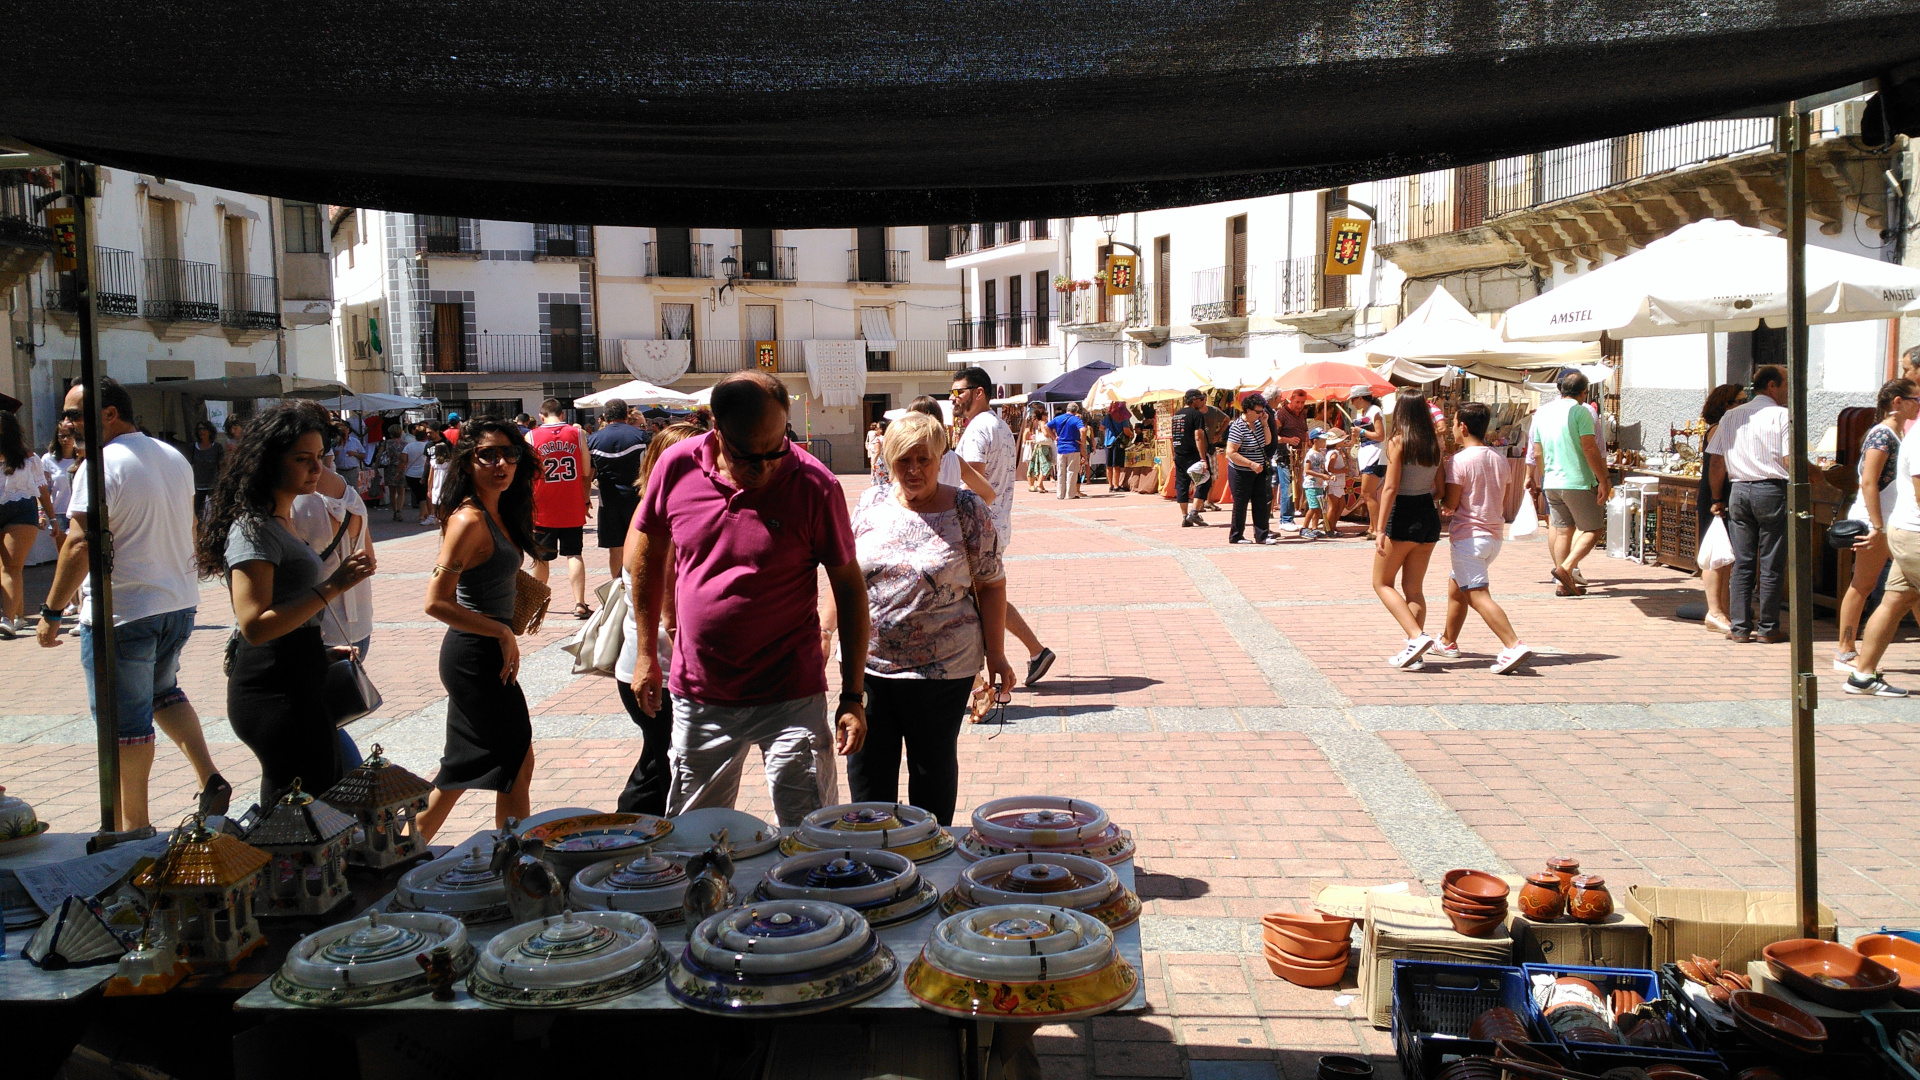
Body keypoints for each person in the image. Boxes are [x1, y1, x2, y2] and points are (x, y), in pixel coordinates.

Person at [631, 370, 870, 825]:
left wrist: (854, 694)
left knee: (811, 831)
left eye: (776, 449)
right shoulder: (676, 466)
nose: (765, 467)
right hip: (703, 693)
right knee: (694, 835)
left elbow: (850, 590)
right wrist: (647, 651)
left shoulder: (816, 485)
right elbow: (647, 556)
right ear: (716, 430)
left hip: (791, 692)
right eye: (748, 457)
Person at [40, 379, 227, 831]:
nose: (66, 423)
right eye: (66, 415)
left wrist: (50, 612)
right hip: (177, 602)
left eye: (75, 414)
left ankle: (135, 828)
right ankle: (209, 776)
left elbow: (80, 544)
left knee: (124, 724)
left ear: (109, 414)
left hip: (124, 610)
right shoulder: (170, 455)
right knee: (163, 692)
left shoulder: (100, 464)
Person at [198, 402, 373, 804]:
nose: (316, 469)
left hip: (297, 678)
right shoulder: (253, 528)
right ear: (269, 461)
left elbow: (286, 607)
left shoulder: (280, 520)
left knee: (308, 806)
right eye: (302, 459)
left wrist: (320, 651)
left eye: (318, 458)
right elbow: (255, 624)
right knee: (299, 811)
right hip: (272, 692)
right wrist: (334, 585)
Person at [844, 412, 1014, 823]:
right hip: (872, 666)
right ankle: (874, 868)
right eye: (903, 460)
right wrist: (826, 630)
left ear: (941, 458)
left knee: (931, 776)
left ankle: (929, 864)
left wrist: (997, 655)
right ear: (887, 460)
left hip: (943, 671)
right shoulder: (871, 502)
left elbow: (992, 584)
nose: (914, 469)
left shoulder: (967, 508)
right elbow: (847, 574)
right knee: (867, 778)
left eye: (924, 459)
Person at [415, 419, 542, 839]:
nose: (501, 463)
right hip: (475, 654)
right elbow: (436, 601)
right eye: (488, 455)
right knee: (513, 761)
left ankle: (405, 845)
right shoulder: (469, 519)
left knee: (468, 765)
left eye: (510, 454)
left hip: (485, 651)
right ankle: (516, 857)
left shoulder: (496, 510)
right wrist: (502, 632)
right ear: (468, 462)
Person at [614, 422, 700, 815]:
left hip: (641, 662)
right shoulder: (664, 518)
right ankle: (631, 831)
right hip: (660, 667)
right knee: (661, 762)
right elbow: (671, 618)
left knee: (661, 755)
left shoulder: (646, 506)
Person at [950, 366, 1055, 686]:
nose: (953, 398)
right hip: (996, 524)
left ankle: (979, 675)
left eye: (959, 392)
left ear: (978, 392)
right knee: (984, 596)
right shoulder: (997, 426)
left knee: (973, 599)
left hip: (978, 529)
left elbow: (973, 482)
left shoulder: (979, 428)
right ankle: (1034, 653)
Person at [1433, 402, 1532, 674]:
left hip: (1469, 538)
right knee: (1458, 588)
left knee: (1477, 595)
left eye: (1453, 424)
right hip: (1493, 536)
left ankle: (1513, 644)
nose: (1452, 429)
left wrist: (1440, 497)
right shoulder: (1498, 457)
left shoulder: (1460, 460)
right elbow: (1500, 494)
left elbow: (1451, 503)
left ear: (1462, 427)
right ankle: (1447, 641)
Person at [1841, 388, 1920, 697]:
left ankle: (1861, 674)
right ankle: (1847, 651)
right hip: (1901, 529)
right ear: (1898, 402)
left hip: (1899, 527)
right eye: (1914, 398)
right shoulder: (1884, 435)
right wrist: (1875, 525)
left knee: (1895, 600)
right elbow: (1869, 481)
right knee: (1862, 586)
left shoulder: (1902, 433)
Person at [1708, 365, 1791, 643]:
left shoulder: (1730, 416)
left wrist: (1717, 498)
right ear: (1771, 386)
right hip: (1770, 489)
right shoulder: (1782, 416)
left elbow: (1717, 461)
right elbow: (1789, 459)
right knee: (1771, 563)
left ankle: (1741, 628)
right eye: (1785, 385)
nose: (1787, 391)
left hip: (1739, 490)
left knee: (1743, 563)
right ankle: (1768, 628)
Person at [1374, 392, 1444, 668]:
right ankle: (1416, 651)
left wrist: (1379, 528)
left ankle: (1416, 637)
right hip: (1427, 511)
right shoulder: (1435, 443)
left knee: (1381, 582)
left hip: (1402, 512)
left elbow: (1390, 488)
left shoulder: (1397, 441)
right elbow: (1440, 486)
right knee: (1414, 588)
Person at [1530, 370, 1611, 597]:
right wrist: (1603, 479)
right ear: (1583, 393)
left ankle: (1562, 584)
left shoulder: (1543, 414)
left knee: (1563, 531)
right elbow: (1589, 447)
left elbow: (1537, 452)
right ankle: (1565, 569)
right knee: (1593, 529)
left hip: (1552, 480)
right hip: (1577, 480)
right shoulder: (1580, 411)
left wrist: (1547, 474)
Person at [528, 398, 594, 619]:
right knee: (574, 554)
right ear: (563, 415)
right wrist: (585, 500)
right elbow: (586, 471)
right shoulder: (577, 434)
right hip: (571, 505)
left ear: (541, 416)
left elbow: (525, 475)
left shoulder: (531, 436)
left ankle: (536, 604)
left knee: (541, 558)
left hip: (542, 507)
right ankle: (580, 603)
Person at [1694, 383, 1747, 635]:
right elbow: (1718, 464)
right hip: (1716, 495)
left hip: (1724, 494)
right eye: (1740, 401)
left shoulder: (1730, 427)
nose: (1744, 405)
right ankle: (1714, 610)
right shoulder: (1718, 429)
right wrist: (1717, 498)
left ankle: (1722, 610)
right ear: (1725, 405)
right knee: (1716, 555)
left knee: (1726, 556)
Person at [0, 412, 53, 638]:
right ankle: (19, 616)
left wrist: (51, 517)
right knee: (6, 570)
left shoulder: (29, 458)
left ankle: (7, 619)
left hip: (21, 510)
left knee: (11, 567)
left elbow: (42, 490)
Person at [588, 399, 649, 580]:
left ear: (605, 416)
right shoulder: (641, 436)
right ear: (626, 415)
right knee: (638, 543)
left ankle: (617, 584)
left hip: (608, 499)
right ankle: (637, 582)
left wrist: (585, 498)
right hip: (636, 497)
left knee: (614, 547)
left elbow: (588, 472)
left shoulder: (593, 439)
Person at [1224, 393, 1277, 545]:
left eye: (1262, 411)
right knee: (1240, 504)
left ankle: (1262, 535)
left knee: (1260, 503)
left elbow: (1267, 442)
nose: (1261, 414)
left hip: (1259, 471)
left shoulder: (1260, 423)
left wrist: (1265, 423)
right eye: (1258, 411)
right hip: (1241, 471)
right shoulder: (1237, 426)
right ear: (1248, 410)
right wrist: (1250, 464)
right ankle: (1236, 535)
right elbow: (1231, 453)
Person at [1170, 389, 1213, 528]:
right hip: (1192, 454)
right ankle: (1194, 512)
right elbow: (1198, 436)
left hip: (1179, 453)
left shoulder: (1176, 415)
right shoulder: (1196, 415)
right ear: (1194, 399)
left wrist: (1174, 454)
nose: (1202, 401)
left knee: (1182, 484)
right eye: (1201, 399)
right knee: (1205, 480)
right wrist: (1202, 458)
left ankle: (1185, 516)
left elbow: (1173, 437)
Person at [1269, 388, 1311, 526]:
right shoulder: (1281, 414)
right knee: (1288, 487)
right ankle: (1285, 519)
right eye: (1297, 402)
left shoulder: (1301, 414)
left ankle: (1290, 517)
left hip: (1299, 456)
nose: (1300, 405)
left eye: (1302, 402)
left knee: (1295, 487)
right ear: (1291, 399)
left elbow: (1304, 431)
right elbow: (1273, 436)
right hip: (1285, 456)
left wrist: (1308, 441)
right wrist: (1288, 440)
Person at [1350, 388, 1386, 539]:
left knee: (1367, 493)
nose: (1351, 403)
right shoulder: (1367, 413)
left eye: (1353, 399)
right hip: (1368, 456)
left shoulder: (1374, 411)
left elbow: (1380, 435)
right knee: (1367, 494)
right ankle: (1372, 527)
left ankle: (1377, 529)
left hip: (1375, 456)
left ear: (1360, 398)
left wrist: (1362, 432)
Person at [1050, 402, 1088, 500]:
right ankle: (1070, 494)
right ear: (1076, 410)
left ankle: (1060, 494)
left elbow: (1046, 427)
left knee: (1061, 472)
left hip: (1061, 448)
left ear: (1067, 409)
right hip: (1073, 448)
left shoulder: (1058, 418)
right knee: (1071, 471)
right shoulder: (1076, 419)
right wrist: (1082, 441)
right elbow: (1083, 430)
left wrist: (1054, 437)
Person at [188, 420, 224, 520]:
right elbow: (189, 465)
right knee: (197, 517)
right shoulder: (192, 448)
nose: (201, 431)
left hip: (213, 488)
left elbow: (222, 466)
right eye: (199, 429)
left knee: (214, 516)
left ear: (210, 431)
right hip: (197, 488)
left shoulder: (217, 448)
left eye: (204, 429)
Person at [1300, 428, 1331, 539]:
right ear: (1315, 441)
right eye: (1322, 440)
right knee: (1313, 507)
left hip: (1319, 484)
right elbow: (1307, 470)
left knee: (1319, 508)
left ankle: (1314, 528)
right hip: (1311, 485)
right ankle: (1304, 528)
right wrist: (1322, 476)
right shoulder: (1311, 454)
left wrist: (1328, 475)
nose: (1324, 442)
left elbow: (1322, 469)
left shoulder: (1321, 454)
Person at [402, 424, 431, 523]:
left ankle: (425, 513)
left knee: (419, 495)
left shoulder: (409, 446)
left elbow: (404, 460)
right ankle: (422, 515)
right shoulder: (428, 446)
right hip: (424, 473)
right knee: (423, 495)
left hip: (411, 474)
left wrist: (400, 472)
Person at [1023, 404, 1053, 493]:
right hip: (1043, 446)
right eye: (1046, 416)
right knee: (1046, 465)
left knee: (1037, 465)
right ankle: (1039, 484)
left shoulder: (1037, 422)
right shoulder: (1043, 423)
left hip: (1038, 446)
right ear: (1043, 416)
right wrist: (1051, 434)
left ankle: (1039, 485)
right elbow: (1045, 433)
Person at [1103, 402, 1133, 490]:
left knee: (1108, 465)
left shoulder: (1107, 417)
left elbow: (1101, 427)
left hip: (1107, 443)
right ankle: (1116, 485)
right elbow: (1126, 430)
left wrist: (1109, 430)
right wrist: (1132, 434)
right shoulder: (1123, 417)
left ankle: (1110, 485)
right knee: (1116, 465)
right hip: (1117, 443)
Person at [334, 421, 367, 496]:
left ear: (348, 430)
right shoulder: (335, 442)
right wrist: (334, 454)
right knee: (340, 492)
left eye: (345, 430)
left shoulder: (355, 442)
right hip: (339, 471)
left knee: (353, 492)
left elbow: (363, 455)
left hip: (352, 471)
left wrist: (355, 454)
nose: (343, 432)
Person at [427, 435, 453, 524]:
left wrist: (429, 489)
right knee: (447, 507)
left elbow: (430, 477)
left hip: (437, 486)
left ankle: (441, 523)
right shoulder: (450, 463)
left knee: (438, 508)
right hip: (447, 486)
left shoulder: (434, 463)